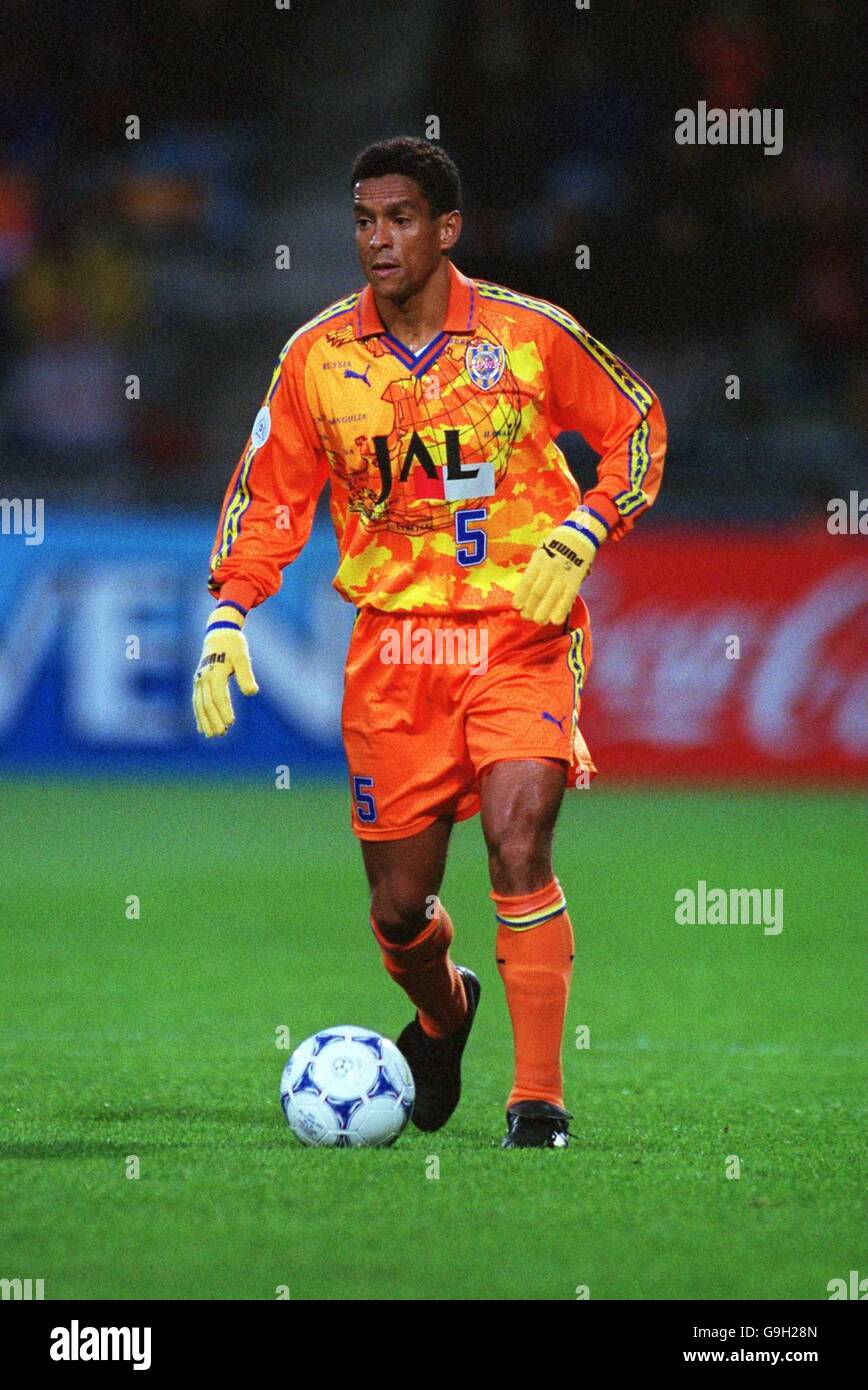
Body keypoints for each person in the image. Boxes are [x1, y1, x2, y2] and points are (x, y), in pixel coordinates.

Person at [193, 137, 666, 1148]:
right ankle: (444, 1010)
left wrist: (586, 526)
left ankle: (535, 1100)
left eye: (400, 218)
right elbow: (269, 496)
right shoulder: (316, 359)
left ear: (446, 230)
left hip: (517, 635)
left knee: (518, 842)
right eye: (364, 219)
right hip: (394, 656)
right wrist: (230, 612)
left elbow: (636, 423)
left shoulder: (527, 335)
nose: (378, 238)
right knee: (401, 908)